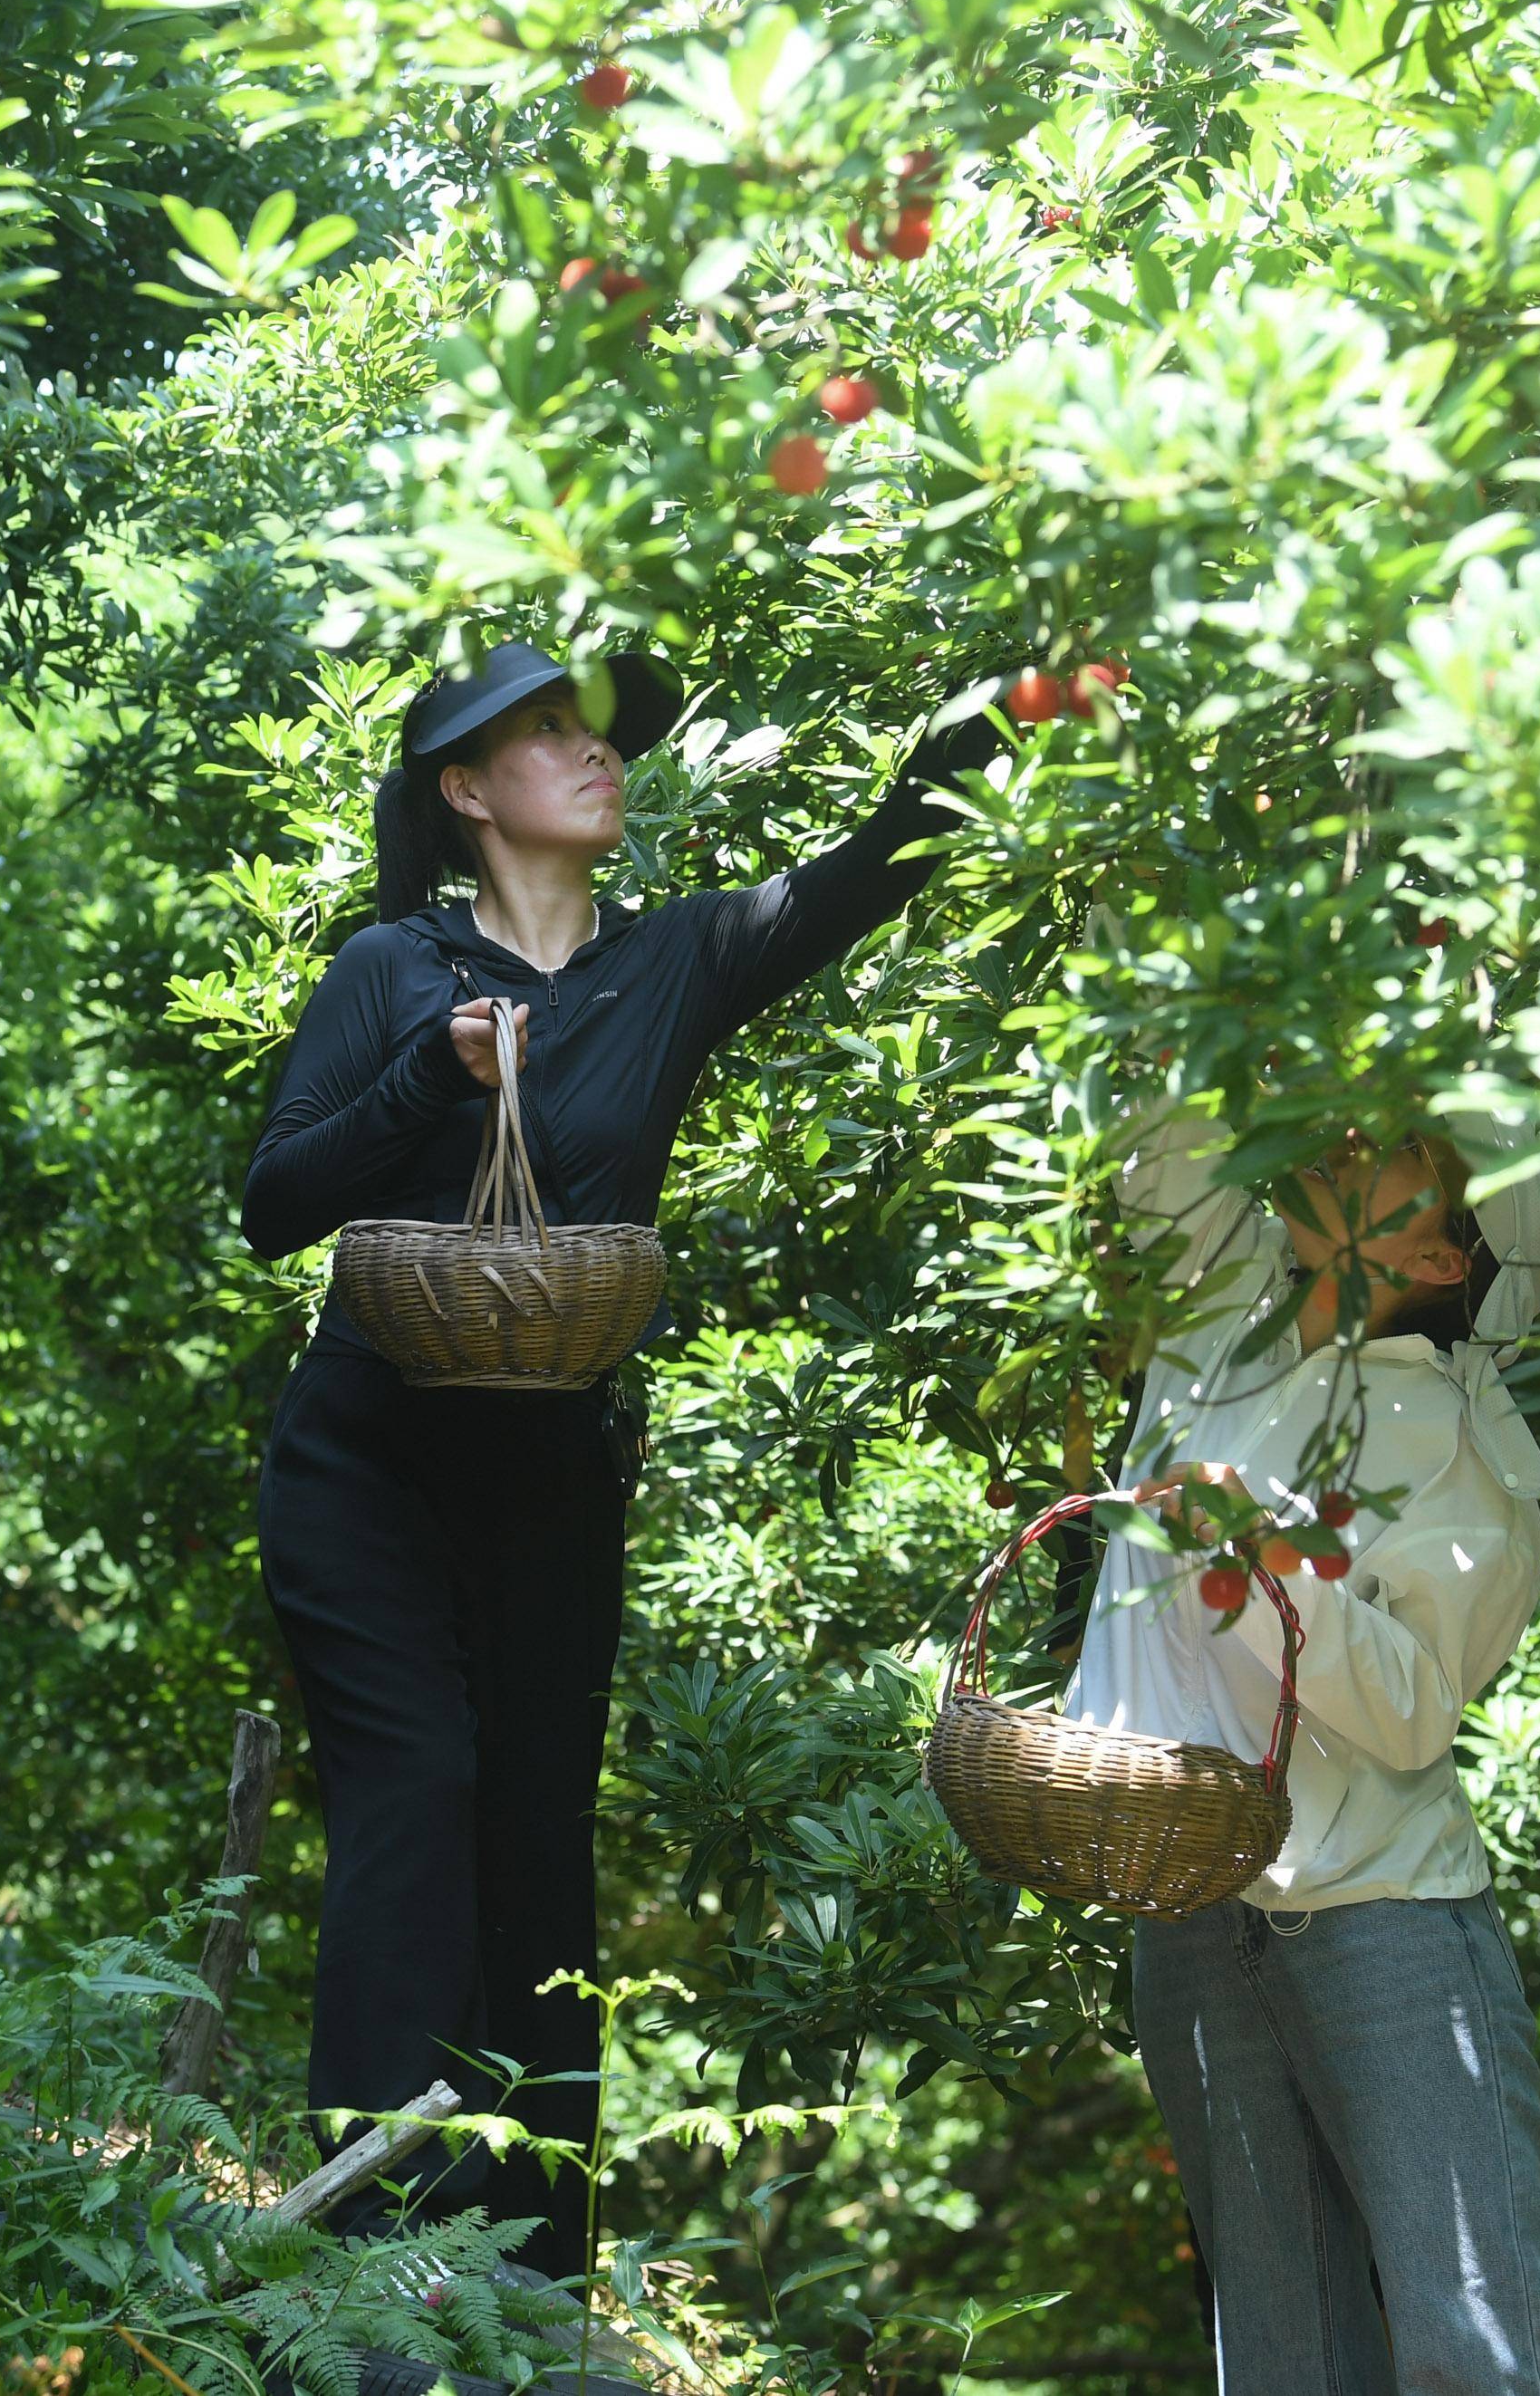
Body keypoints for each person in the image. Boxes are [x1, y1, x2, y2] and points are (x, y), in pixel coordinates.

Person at [239, 640, 1000, 2282]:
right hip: (364, 1460)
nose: (598, 758)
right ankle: (368, 2259)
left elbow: (883, 864)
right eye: (552, 737)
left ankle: (527, 2277)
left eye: (599, 737)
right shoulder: (394, 964)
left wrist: (1016, 702)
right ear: (464, 788)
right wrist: (422, 1075)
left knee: (532, 1835)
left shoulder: (677, 963)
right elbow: (274, 1203)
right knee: (417, 1801)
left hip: (550, 1473)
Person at [1061, 1098, 1540, 2393]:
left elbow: (1410, 1706)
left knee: (1487, 2355)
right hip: (1192, 1912)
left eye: (1402, 1150)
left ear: (1436, 1259)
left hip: (1381, 1925)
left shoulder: (1460, 1447)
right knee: (1283, 2352)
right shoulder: (1218, 1313)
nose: (1349, 1144)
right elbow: (1161, 1110)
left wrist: (1251, 1568)